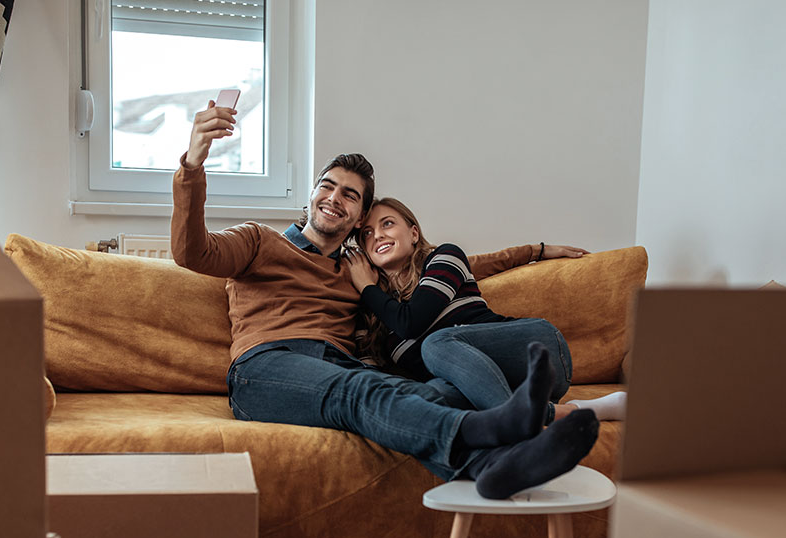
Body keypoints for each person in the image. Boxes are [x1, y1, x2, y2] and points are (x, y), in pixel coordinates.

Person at [170, 99, 601, 499]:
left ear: (360, 218)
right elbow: (193, 252)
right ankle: (504, 426)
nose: (335, 199)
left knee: (430, 394)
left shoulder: (358, 274)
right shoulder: (258, 242)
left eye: (350, 196)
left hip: (339, 365)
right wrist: (193, 163)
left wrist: (535, 252)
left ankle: (495, 469)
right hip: (266, 368)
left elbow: (441, 261)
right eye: (328, 186)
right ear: (312, 195)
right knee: (357, 389)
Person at [344, 198, 627, 423]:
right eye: (367, 233)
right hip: (474, 387)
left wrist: (366, 287)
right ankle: (554, 415)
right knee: (431, 395)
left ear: (414, 233)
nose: (377, 235)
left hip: (533, 354)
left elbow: (412, 323)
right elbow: (372, 373)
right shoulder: (373, 313)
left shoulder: (444, 258)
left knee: (436, 343)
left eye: (387, 224)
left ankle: (518, 420)